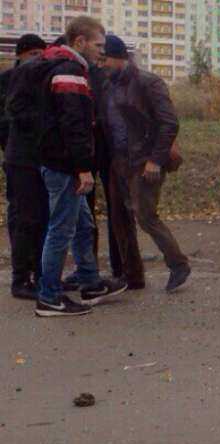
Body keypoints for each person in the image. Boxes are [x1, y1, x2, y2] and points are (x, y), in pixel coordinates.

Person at [33, 17, 127, 317]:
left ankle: (89, 282)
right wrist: (83, 168)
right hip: (64, 166)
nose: (102, 51)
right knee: (61, 230)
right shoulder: (70, 73)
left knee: (83, 225)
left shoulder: (62, 67)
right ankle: (49, 297)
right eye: (98, 45)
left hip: (59, 162)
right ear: (79, 42)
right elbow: (74, 125)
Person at [101, 35, 190, 292]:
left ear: (119, 57)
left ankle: (178, 264)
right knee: (119, 219)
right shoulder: (108, 85)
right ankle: (132, 277)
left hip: (143, 161)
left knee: (146, 217)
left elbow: (169, 123)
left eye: (105, 59)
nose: (102, 64)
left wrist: (155, 160)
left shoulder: (148, 82)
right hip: (119, 161)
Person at [0, 34, 48, 300]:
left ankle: (39, 272)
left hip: (37, 158)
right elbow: (7, 118)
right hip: (19, 158)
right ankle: (20, 278)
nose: (38, 60)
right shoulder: (7, 80)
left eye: (41, 55)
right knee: (23, 217)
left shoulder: (42, 78)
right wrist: (9, 145)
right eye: (33, 55)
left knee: (39, 217)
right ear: (20, 55)